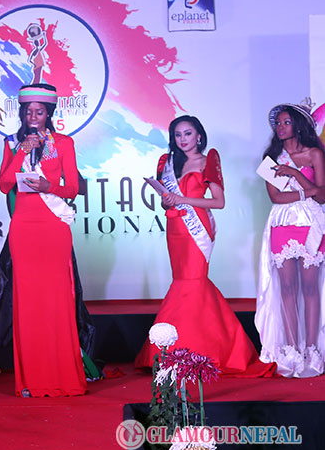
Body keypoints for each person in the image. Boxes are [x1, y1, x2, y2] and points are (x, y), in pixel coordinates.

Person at [135, 115, 275, 377]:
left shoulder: (207, 160)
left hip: (197, 228)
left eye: (188, 133)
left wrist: (183, 199)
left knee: (194, 280)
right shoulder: (167, 162)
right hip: (175, 227)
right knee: (181, 280)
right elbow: (166, 200)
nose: (183, 139)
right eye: (177, 135)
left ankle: (196, 350)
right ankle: (180, 349)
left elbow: (218, 202)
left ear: (199, 135)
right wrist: (168, 201)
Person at [0, 83, 87, 397]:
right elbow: (3, 184)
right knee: (28, 302)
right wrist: (22, 150)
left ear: (49, 114)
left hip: (52, 226)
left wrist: (49, 186)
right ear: (22, 114)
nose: (33, 117)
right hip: (24, 226)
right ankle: (31, 379)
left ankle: (63, 375)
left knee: (56, 299)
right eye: (28, 112)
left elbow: (73, 188)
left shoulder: (64, 143)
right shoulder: (12, 143)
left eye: (39, 112)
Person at [256, 102, 325, 377]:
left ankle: (312, 350)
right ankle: (291, 350)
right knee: (287, 287)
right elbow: (276, 197)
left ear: (298, 125)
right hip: (283, 223)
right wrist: (307, 192)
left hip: (311, 225)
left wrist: (296, 174)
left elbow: (323, 195)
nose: (280, 127)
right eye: (278, 123)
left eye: (286, 122)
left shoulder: (315, 154)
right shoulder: (272, 158)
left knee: (310, 287)